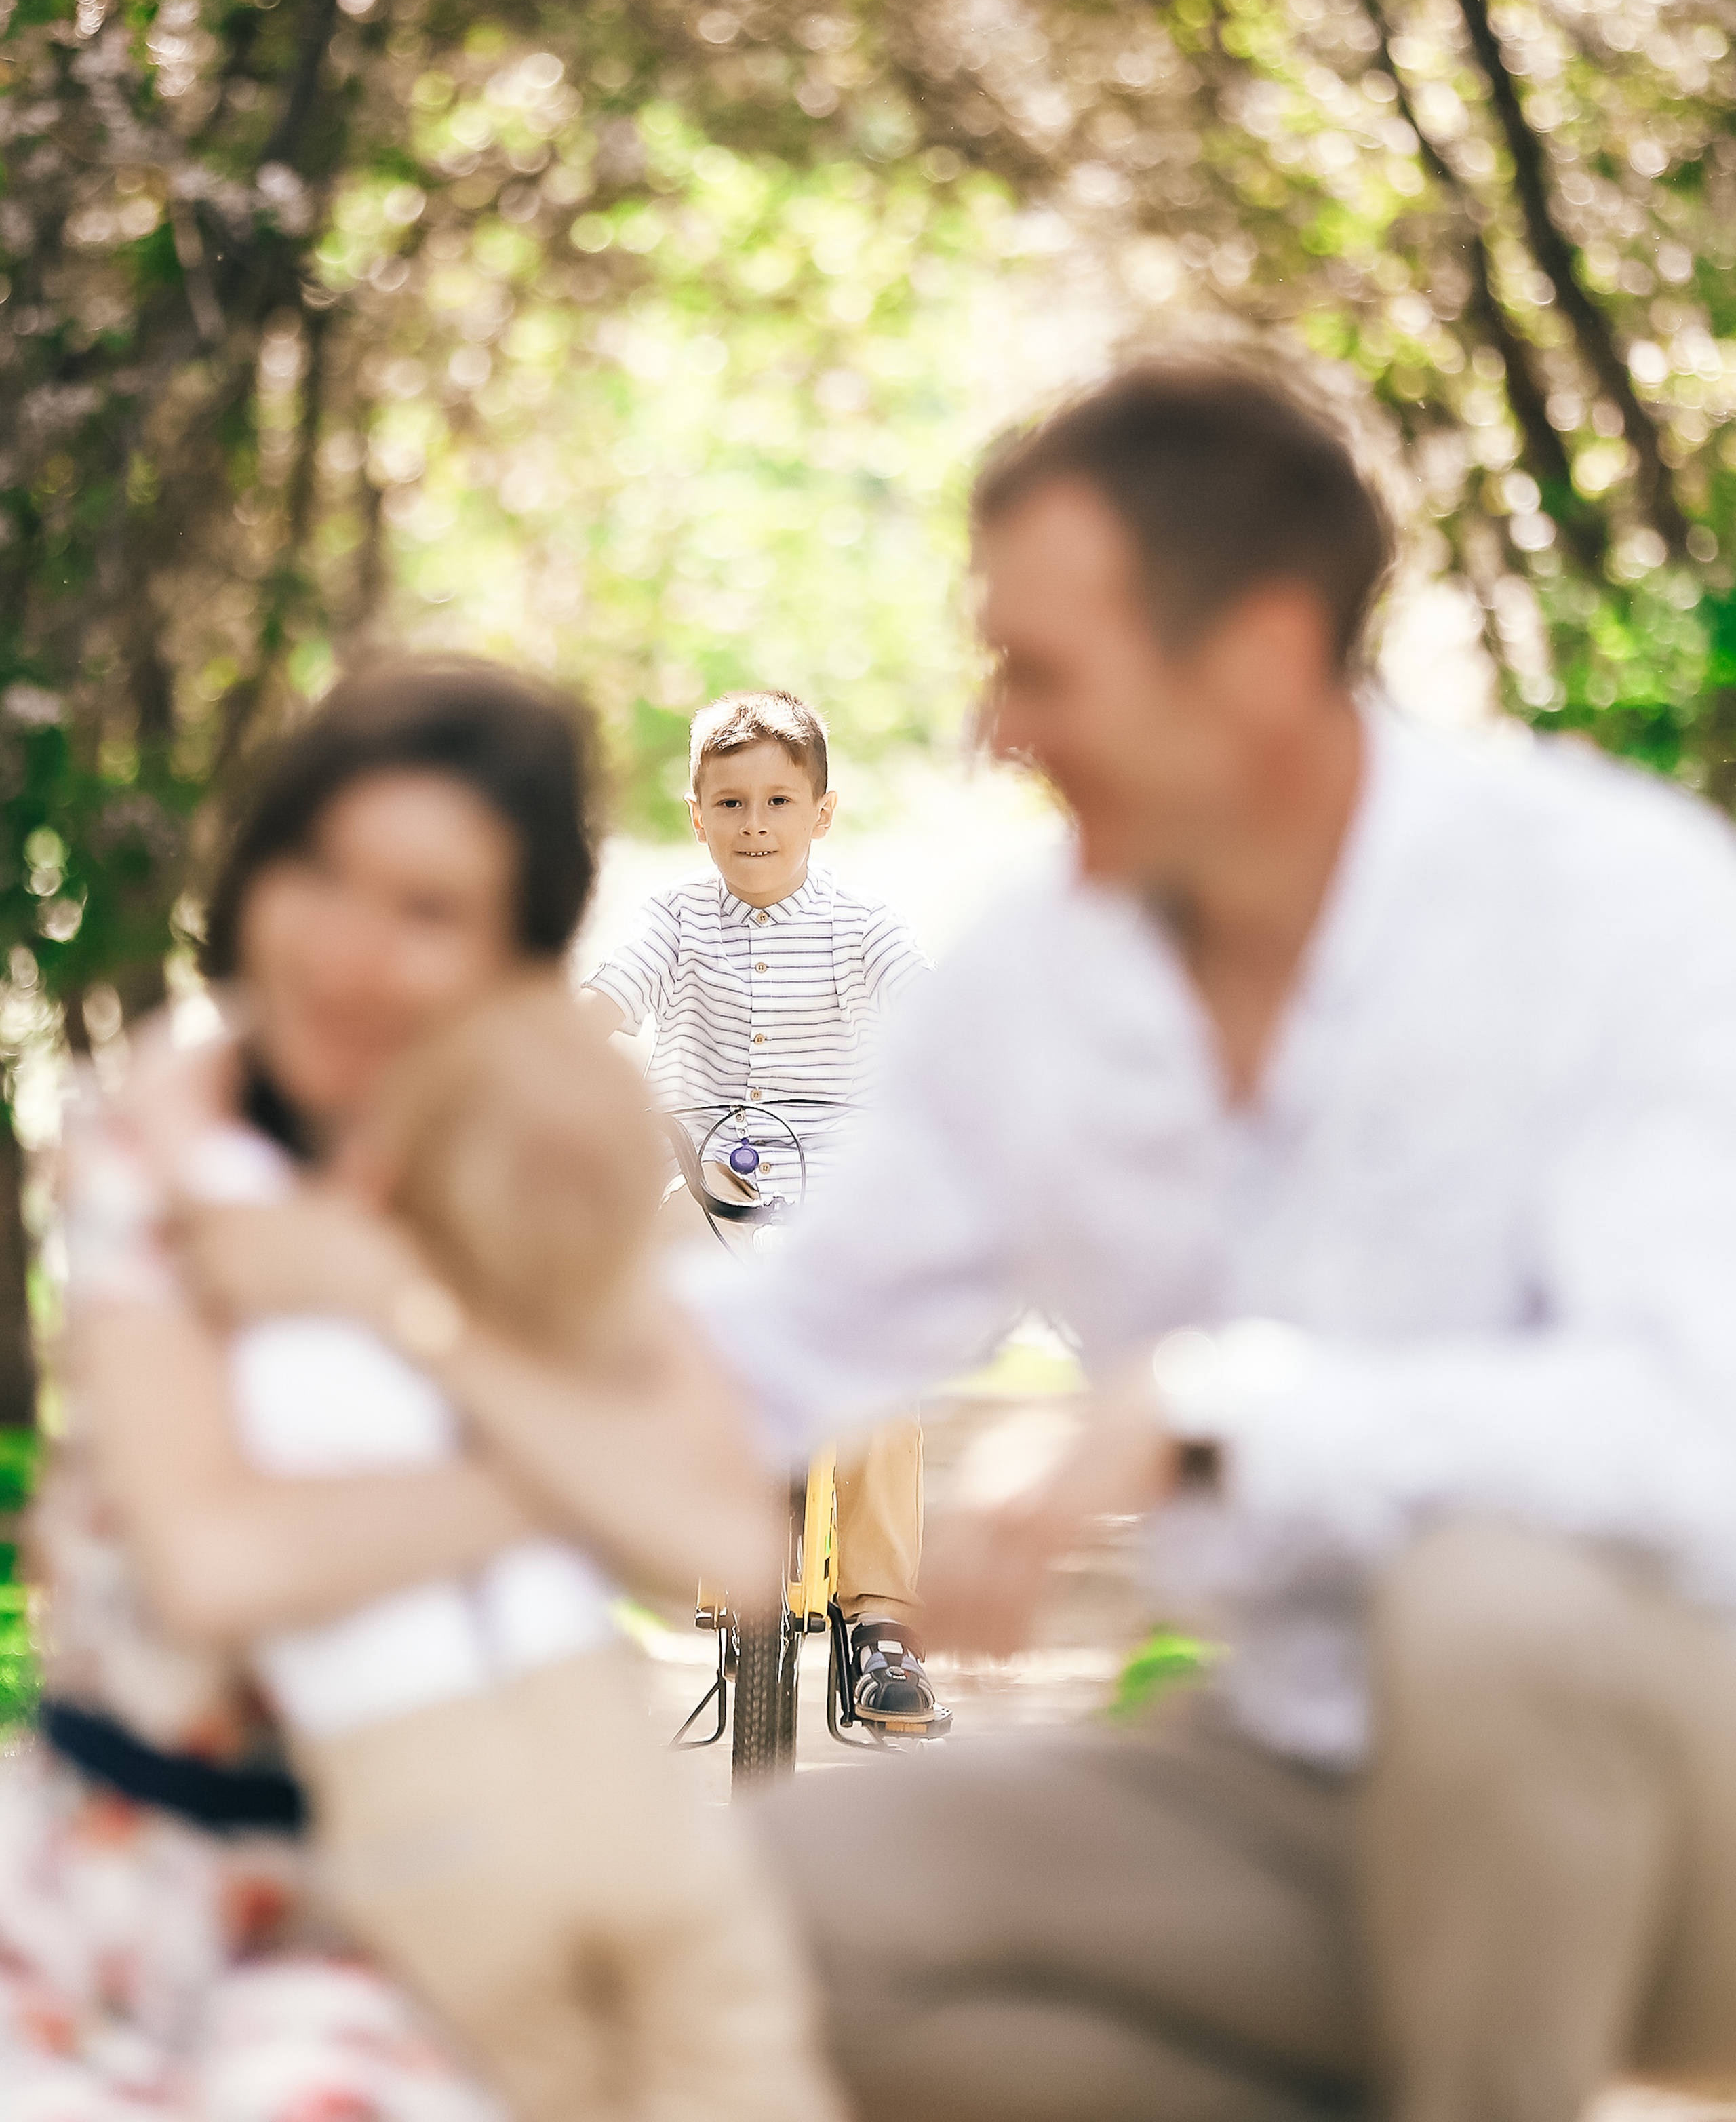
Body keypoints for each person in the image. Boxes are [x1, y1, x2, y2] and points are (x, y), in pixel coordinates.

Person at [682, 354, 1736, 2122]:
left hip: (1686, 1807)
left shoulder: (1622, 910)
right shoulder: (1031, 984)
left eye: (1042, 672)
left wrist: (1223, 1408)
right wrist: (410, 1385)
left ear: (1253, 654)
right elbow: (785, 1346)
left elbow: (1699, 1437)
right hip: (1307, 1790)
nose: (1001, 731)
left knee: (1491, 1609)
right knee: (776, 1913)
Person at [9, 656, 790, 2121]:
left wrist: (396, 1310)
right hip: (113, 1878)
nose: (346, 952)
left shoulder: (539, 1155)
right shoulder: (171, 1143)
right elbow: (217, 1564)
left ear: (516, 955)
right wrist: (555, 1470)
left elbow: (729, 1545)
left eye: (427, 914)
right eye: (320, 871)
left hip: (427, 1903)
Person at [170, 981, 844, 2122]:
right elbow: (735, 1548)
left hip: (419, 1818)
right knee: (740, 2059)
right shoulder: (556, 1358)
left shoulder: (281, 1330)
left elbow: (184, 1152)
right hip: (622, 1784)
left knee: (533, 2088)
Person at [581, 689, 940, 1732]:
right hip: (701, 1183)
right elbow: (611, 995)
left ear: (821, 813)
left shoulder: (862, 927)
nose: (755, 825)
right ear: (696, 814)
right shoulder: (674, 921)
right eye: (730, 803)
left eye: (780, 800)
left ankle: (880, 1623)